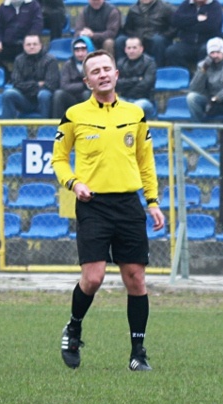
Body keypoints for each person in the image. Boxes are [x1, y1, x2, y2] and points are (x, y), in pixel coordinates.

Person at [52, 50, 165, 372]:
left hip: (129, 205)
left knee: (136, 279)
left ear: (116, 74)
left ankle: (138, 353)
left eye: (106, 69)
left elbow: (146, 161)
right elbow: (58, 158)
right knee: (93, 277)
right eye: (95, 71)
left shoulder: (135, 113)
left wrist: (153, 201)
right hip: (93, 205)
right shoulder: (74, 114)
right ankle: (74, 328)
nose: (102, 74)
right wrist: (74, 183)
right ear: (86, 80)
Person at [186, 37, 223, 123]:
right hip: (209, 101)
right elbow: (194, 88)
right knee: (191, 97)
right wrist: (203, 70)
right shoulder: (203, 65)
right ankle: (198, 128)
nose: (215, 56)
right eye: (212, 53)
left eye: (218, 52)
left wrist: (218, 97)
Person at [1, 34, 60, 118]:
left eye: (35, 44)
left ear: (40, 45)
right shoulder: (18, 60)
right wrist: (37, 84)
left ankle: (45, 128)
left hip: (44, 101)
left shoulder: (51, 60)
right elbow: (16, 83)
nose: (31, 47)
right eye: (28, 44)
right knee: (8, 94)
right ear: (24, 46)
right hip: (25, 100)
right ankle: (7, 129)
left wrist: (27, 87)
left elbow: (51, 85)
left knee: (44, 94)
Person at [0, 0, 43, 80]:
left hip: (25, 46)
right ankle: (7, 75)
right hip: (7, 46)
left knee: (37, 52)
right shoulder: (3, 7)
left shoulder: (34, 5)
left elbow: (37, 24)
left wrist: (29, 40)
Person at [165, 0, 223, 72]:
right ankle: (187, 76)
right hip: (187, 43)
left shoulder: (215, 6)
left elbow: (211, 26)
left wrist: (187, 24)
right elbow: (175, 20)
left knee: (206, 51)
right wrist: (196, 18)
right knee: (172, 51)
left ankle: (202, 78)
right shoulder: (186, 4)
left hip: (207, 42)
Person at [115, 0, 175, 68]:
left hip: (157, 40)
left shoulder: (166, 8)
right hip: (139, 39)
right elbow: (128, 29)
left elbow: (174, 27)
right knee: (120, 41)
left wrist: (164, 35)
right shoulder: (133, 9)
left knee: (158, 41)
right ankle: (121, 69)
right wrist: (135, 39)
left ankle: (159, 69)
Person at [51, 36, 94, 119]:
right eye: (77, 51)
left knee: (87, 94)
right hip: (71, 98)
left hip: (90, 99)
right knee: (58, 94)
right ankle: (56, 125)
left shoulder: (95, 64)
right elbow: (64, 86)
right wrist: (83, 85)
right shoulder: (68, 65)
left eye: (83, 50)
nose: (80, 54)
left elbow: (94, 86)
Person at [117, 36, 158, 118]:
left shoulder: (150, 63)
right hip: (124, 98)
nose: (131, 51)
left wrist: (126, 86)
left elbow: (146, 85)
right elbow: (116, 84)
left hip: (144, 100)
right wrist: (136, 80)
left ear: (141, 49)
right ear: (125, 50)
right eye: (129, 48)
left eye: (134, 48)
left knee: (135, 107)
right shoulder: (120, 63)